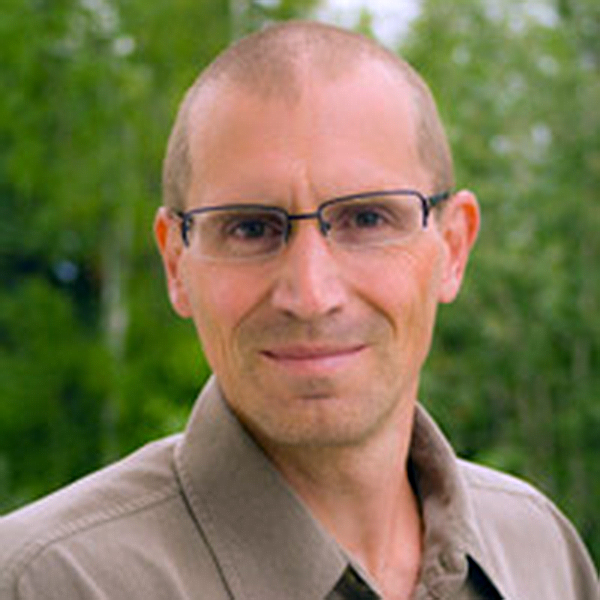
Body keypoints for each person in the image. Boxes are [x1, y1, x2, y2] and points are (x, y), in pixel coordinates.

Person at [0, 20, 597, 600]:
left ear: (454, 247)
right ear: (176, 264)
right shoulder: (46, 584)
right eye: (250, 228)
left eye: (367, 219)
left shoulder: (540, 553)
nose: (311, 295)